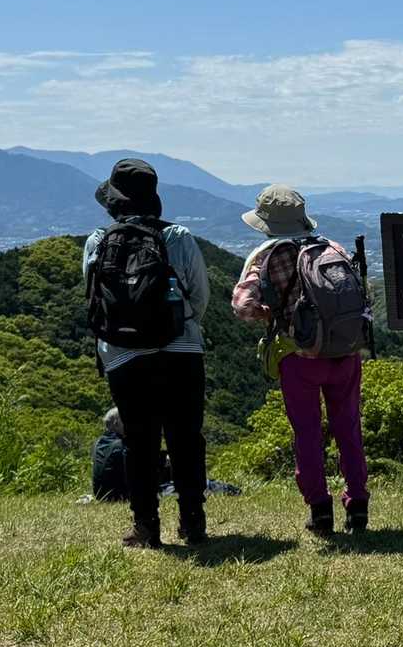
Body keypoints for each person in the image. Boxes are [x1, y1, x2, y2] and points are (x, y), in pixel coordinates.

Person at [83, 159, 210, 549]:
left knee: (139, 440)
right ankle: (192, 522)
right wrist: (176, 325)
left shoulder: (97, 242)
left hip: (124, 356)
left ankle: (146, 526)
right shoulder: (178, 237)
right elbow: (199, 297)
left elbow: (95, 301)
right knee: (186, 437)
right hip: (181, 350)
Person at [232, 184, 370, 536]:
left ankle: (320, 510)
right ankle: (358, 505)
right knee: (349, 428)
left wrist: (267, 312)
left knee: (307, 432)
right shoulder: (332, 248)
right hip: (344, 351)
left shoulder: (268, 255)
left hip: (299, 356)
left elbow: (242, 306)